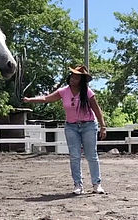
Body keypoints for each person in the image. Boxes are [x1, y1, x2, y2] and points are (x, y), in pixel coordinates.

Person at [23, 65, 107, 194]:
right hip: (71, 126)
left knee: (91, 155)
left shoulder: (88, 92)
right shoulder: (63, 91)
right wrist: (30, 100)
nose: (73, 79)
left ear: (82, 80)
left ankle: (97, 184)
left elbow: (97, 109)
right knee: (74, 156)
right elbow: (46, 98)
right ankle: (78, 184)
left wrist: (103, 126)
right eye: (72, 76)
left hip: (88, 125)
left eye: (77, 77)